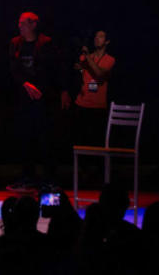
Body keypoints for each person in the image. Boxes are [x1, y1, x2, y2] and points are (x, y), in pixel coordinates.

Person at [8, 12, 70, 191]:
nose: (20, 26)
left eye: (23, 23)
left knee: (45, 138)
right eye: (19, 23)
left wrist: (62, 90)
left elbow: (56, 68)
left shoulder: (46, 43)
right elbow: (14, 69)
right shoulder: (15, 44)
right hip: (23, 99)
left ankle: (50, 178)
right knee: (25, 138)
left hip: (43, 98)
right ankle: (28, 177)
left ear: (33, 24)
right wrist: (25, 84)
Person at [73, 30, 116, 146]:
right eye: (96, 36)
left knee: (96, 142)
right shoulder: (86, 57)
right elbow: (78, 72)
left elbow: (99, 73)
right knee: (81, 142)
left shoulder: (110, 59)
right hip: (82, 104)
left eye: (101, 37)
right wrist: (79, 68)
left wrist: (87, 57)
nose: (97, 39)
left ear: (107, 41)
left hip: (98, 106)